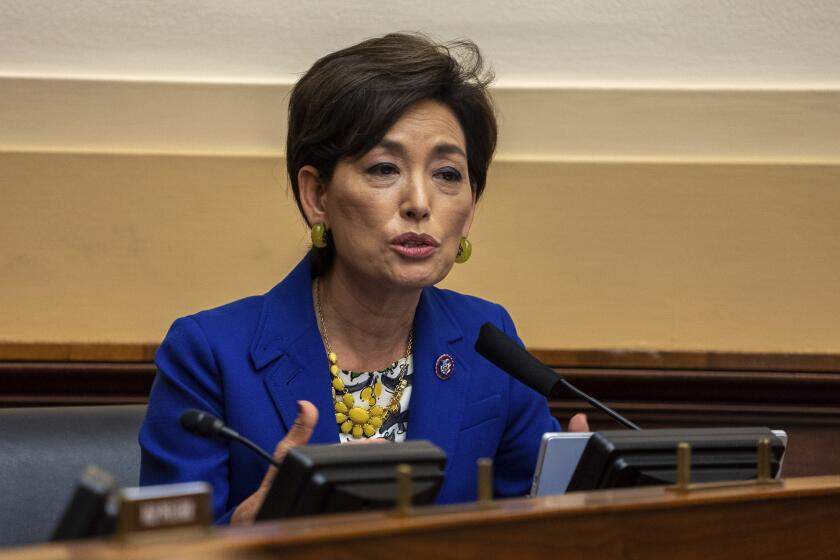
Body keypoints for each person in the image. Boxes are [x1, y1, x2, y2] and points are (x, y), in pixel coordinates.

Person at [139, 33, 588, 525]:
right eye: (383, 168)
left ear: (472, 206)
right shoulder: (210, 353)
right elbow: (163, 548)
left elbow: (525, 527)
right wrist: (247, 532)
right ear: (317, 195)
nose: (420, 202)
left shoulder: (489, 340)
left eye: (447, 174)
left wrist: (576, 498)